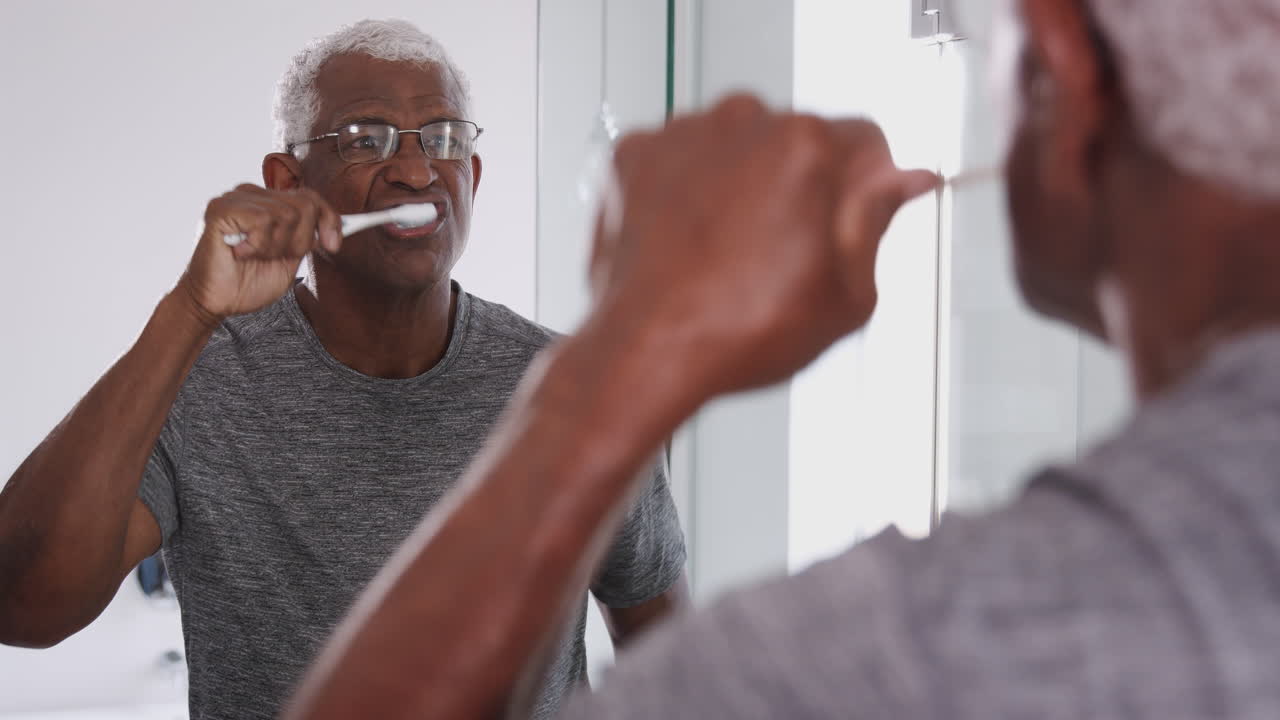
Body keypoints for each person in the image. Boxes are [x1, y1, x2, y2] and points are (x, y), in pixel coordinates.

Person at [279, 0, 1280, 717]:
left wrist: (630, 348)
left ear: (1058, 65)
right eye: (370, 137)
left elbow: (652, 627)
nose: (414, 169)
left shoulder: (903, 655)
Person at [0, 18, 686, 720]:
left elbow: (676, 666)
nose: (418, 171)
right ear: (288, 182)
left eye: (445, 139)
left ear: (472, 178)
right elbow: (20, 605)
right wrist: (189, 311)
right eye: (367, 139)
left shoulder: (581, 392)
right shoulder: (201, 386)